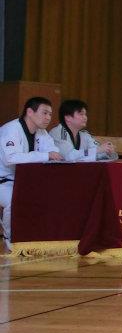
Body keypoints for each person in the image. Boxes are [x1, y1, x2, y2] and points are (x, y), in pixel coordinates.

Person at [0, 97, 64, 251]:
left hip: (23, 181)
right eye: (44, 113)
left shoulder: (42, 132)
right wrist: (45, 155)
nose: (48, 118)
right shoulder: (11, 130)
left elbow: (54, 152)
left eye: (50, 114)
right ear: (29, 112)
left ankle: (38, 237)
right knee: (14, 201)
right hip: (3, 181)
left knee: (52, 197)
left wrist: (51, 155)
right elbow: (11, 158)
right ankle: (11, 238)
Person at [48, 100, 118, 162]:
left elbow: (98, 152)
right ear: (68, 117)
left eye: (85, 114)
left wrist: (108, 151)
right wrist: (97, 150)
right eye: (81, 114)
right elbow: (69, 156)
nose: (85, 117)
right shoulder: (58, 132)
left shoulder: (85, 135)